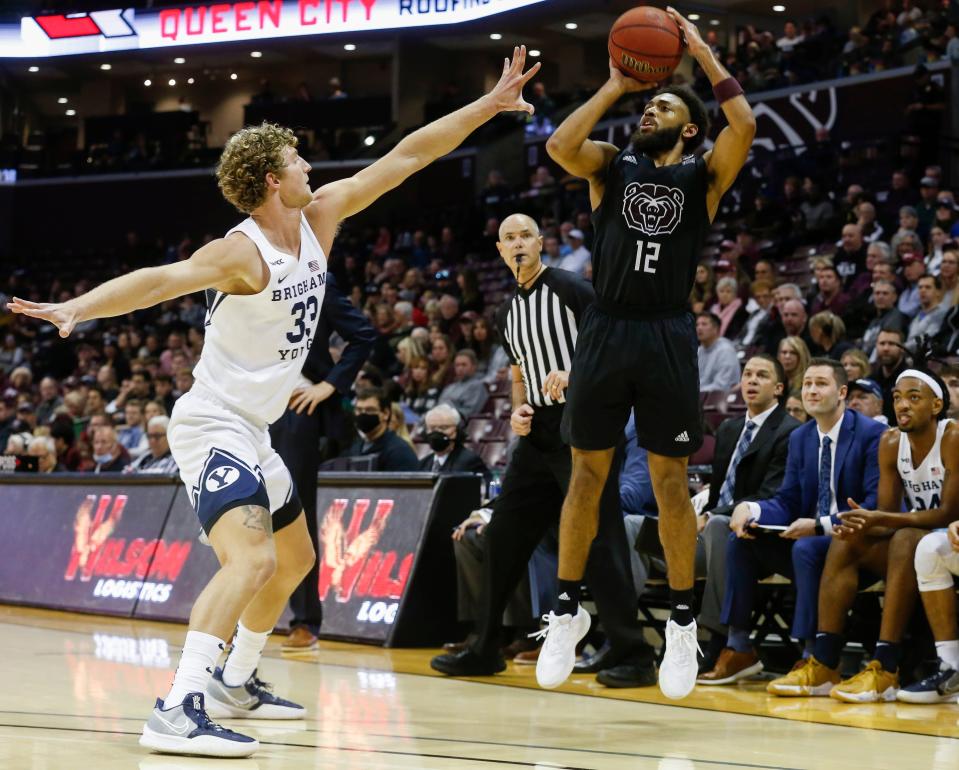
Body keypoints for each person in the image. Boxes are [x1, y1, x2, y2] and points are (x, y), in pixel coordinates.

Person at [7, 45, 541, 759]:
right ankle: (178, 705)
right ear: (269, 179)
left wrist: (488, 105)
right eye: (295, 160)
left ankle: (234, 679)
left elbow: (408, 157)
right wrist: (79, 307)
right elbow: (159, 279)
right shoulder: (241, 252)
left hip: (257, 427)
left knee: (295, 560)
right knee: (252, 562)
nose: (309, 167)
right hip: (212, 425)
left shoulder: (319, 218)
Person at [543, 7, 755, 698]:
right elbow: (558, 147)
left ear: (688, 125)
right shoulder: (610, 165)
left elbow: (743, 126)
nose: (647, 110)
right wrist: (613, 85)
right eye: (648, 103)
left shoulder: (704, 176)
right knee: (586, 476)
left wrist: (699, 52)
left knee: (668, 482)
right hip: (605, 327)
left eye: (662, 104)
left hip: (665, 331)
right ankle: (567, 608)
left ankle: (685, 622)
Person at [430, 213, 657, 689]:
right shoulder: (505, 311)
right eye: (508, 237)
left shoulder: (573, 289)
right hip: (537, 434)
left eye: (525, 235)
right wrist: (517, 412)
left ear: (540, 242)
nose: (517, 243)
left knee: (599, 538)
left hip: (588, 424)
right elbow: (518, 371)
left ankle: (632, 652)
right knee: (503, 534)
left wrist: (576, 375)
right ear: (499, 250)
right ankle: (485, 645)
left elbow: (613, 344)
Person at [770, 370, 955, 702]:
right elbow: (885, 513)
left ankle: (886, 665)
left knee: (906, 537)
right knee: (847, 537)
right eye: (897, 397)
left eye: (914, 398)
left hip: (946, 540)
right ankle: (825, 662)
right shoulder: (891, 441)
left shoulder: (952, 437)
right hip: (912, 547)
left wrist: (882, 518)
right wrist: (864, 523)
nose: (903, 405)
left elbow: (948, 513)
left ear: (937, 405)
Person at [722, 360, 884, 691]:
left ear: (842, 392)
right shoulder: (801, 437)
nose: (811, 390)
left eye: (820, 384)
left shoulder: (872, 434)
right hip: (811, 545)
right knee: (742, 540)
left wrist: (820, 525)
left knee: (807, 547)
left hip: (860, 546)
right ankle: (738, 646)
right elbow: (788, 502)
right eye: (807, 383)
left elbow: (876, 507)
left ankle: (818, 659)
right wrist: (749, 507)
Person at [269, 272, 375, 650]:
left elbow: (363, 335)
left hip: (295, 409)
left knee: (294, 515)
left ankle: (305, 619)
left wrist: (328, 386)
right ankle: (238, 612)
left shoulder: (317, 281)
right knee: (243, 511)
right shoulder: (246, 276)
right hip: (248, 409)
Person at [689, 355, 801, 682]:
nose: (751, 380)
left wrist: (711, 515)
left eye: (762, 375)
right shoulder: (728, 429)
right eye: (747, 374)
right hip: (714, 527)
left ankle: (719, 642)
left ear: (778, 388)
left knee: (720, 529)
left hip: (760, 538)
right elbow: (718, 491)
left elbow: (769, 496)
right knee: (648, 533)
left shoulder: (791, 432)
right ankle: (637, 638)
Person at [344, 388, 420, 471]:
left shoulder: (399, 451)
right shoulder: (356, 447)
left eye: (369, 410)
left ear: (385, 414)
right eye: (359, 410)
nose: (363, 414)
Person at [418, 403, 490, 481]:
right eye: (432, 428)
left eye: (443, 428)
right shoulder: (423, 463)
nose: (437, 433)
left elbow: (492, 487)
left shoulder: (468, 461)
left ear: (457, 431)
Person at [438, 349, 490, 419]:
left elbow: (468, 413)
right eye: (457, 365)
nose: (460, 368)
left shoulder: (477, 386)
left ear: (473, 366)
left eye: (464, 365)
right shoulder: (449, 387)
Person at [697, 312, 741, 392]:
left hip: (718, 399)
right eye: (697, 324)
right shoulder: (699, 351)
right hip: (700, 396)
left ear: (715, 329)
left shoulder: (726, 351)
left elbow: (721, 387)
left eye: (704, 324)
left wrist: (693, 393)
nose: (699, 328)